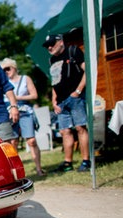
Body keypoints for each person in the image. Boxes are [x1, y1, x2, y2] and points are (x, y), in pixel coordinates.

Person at [43, 34, 90, 172]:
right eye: (47, 46)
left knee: (80, 128)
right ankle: (67, 162)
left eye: (52, 44)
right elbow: (54, 82)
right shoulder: (52, 60)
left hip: (75, 98)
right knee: (65, 131)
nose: (49, 47)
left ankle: (86, 161)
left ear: (61, 42)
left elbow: (87, 71)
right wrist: (54, 100)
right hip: (61, 102)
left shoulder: (73, 51)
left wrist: (78, 91)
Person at [0, 58, 46, 176]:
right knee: (12, 142)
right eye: (3, 70)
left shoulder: (25, 79)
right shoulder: (2, 82)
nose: (6, 71)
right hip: (9, 112)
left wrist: (16, 98)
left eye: (8, 68)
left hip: (25, 111)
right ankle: (16, 171)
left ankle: (39, 168)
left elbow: (34, 95)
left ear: (14, 68)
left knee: (31, 141)